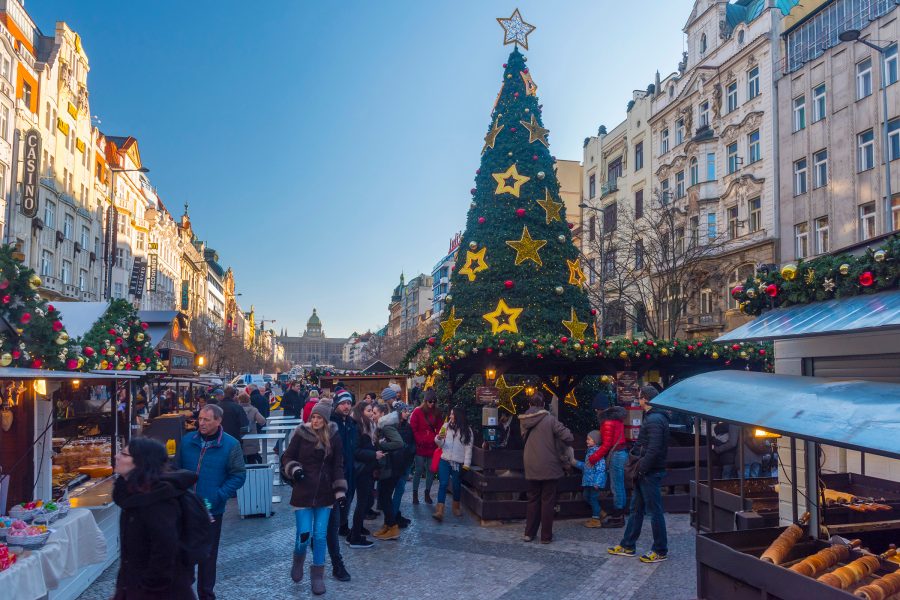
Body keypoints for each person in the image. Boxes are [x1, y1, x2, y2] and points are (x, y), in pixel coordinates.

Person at [176, 404, 246, 600]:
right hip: (186, 507)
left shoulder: (231, 445)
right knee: (184, 552)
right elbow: (176, 470)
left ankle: (206, 595)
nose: (202, 423)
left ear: (218, 421)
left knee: (208, 555)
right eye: (200, 419)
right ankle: (184, 593)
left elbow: (239, 475)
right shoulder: (188, 441)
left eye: (207, 420)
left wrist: (219, 494)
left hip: (211, 509)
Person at [113, 437, 197, 599]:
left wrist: (148, 586)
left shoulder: (157, 499)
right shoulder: (132, 496)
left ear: (140, 462)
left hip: (160, 592)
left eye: (124, 454)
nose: (117, 456)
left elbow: (165, 549)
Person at [281, 397, 347, 596]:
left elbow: (337, 466)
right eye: (313, 417)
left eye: (319, 417)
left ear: (325, 420)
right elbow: (287, 457)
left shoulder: (334, 437)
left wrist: (340, 492)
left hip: (325, 494)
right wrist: (295, 470)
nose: (315, 420)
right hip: (303, 492)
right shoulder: (301, 434)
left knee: (320, 536)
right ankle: (298, 559)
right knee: (304, 535)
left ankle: (317, 576)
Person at [609, 385, 670, 563]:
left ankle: (660, 549)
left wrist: (641, 468)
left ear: (645, 399)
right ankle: (628, 545)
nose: (639, 400)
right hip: (646, 471)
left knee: (654, 511)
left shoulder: (654, 419)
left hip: (649, 472)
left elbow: (653, 449)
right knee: (636, 509)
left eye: (640, 397)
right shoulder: (655, 417)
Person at [519, 392, 574, 544]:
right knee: (547, 502)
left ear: (530, 405)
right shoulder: (550, 420)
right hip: (549, 466)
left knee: (532, 500)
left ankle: (529, 534)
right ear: (543, 405)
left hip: (530, 464)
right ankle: (545, 537)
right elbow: (568, 437)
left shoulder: (523, 420)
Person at [325, 391, 355, 581]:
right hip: (331, 483)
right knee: (331, 525)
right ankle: (337, 565)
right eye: (343, 403)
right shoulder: (331, 426)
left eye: (348, 403)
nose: (346, 406)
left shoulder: (352, 424)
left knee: (336, 521)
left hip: (348, 478)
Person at [347, 400, 382, 549]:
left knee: (365, 502)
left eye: (372, 411)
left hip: (367, 469)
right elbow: (356, 451)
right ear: (362, 412)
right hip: (362, 471)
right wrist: (374, 455)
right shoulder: (358, 427)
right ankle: (355, 537)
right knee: (362, 503)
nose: (371, 414)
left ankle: (355, 531)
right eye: (369, 411)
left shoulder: (368, 426)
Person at [372, 390, 404, 541]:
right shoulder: (382, 426)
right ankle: (388, 525)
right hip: (388, 467)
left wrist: (381, 446)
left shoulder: (386, 426)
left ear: (383, 414)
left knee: (385, 497)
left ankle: (392, 527)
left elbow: (399, 443)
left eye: (375, 413)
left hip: (391, 468)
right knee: (384, 497)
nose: (373, 415)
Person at [589, 405, 628, 527]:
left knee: (616, 486)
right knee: (619, 485)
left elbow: (606, 445)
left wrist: (593, 458)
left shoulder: (608, 422)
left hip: (616, 455)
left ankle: (618, 517)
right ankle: (619, 513)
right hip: (620, 453)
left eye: (596, 408)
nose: (595, 410)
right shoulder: (617, 418)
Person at [432, 405, 472, 521]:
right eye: (450, 414)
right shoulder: (445, 426)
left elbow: (468, 450)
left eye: (452, 414)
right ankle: (439, 510)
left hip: (457, 462)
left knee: (456, 485)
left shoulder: (467, 431)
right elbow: (440, 444)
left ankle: (456, 506)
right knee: (443, 484)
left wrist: (466, 466)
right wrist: (438, 438)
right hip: (445, 460)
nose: (450, 416)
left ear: (458, 416)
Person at [409, 388, 442, 505]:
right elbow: (413, 428)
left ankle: (427, 492)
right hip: (420, 446)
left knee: (431, 471)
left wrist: (436, 437)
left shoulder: (437, 412)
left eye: (434, 401)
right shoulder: (417, 412)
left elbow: (440, 427)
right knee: (418, 470)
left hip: (432, 446)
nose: (432, 404)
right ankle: (415, 493)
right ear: (425, 401)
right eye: (430, 401)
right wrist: (420, 440)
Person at [572, 430, 607, 528]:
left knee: (593, 498)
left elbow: (601, 469)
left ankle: (596, 520)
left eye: (589, 439)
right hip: (588, 481)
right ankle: (599, 512)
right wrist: (575, 463)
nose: (586, 441)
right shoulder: (590, 452)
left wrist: (597, 482)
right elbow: (587, 466)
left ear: (595, 441)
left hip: (594, 483)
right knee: (586, 496)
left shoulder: (597, 453)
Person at [391, 401, 416, 528]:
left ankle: (395, 514)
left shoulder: (407, 426)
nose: (408, 413)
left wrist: (411, 451)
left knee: (400, 490)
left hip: (405, 462)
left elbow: (411, 443)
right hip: (397, 464)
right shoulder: (393, 427)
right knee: (397, 490)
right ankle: (393, 516)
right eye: (405, 411)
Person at [238, 392, 266, 464]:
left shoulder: (236, 409)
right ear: (249, 400)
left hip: (239, 438)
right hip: (251, 437)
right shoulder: (253, 410)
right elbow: (262, 421)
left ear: (239, 400)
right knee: (252, 459)